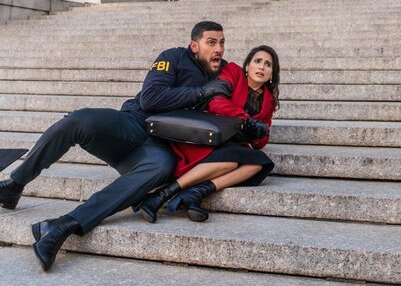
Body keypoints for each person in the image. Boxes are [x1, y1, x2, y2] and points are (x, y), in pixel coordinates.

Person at [0, 21, 232, 272]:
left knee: (161, 167)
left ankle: (61, 226)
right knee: (78, 120)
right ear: (194, 46)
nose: (218, 49)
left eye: (221, 43)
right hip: (132, 124)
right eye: (211, 43)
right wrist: (201, 93)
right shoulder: (173, 57)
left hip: (160, 147)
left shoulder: (226, 73)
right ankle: (14, 184)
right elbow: (150, 98)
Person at [134, 45, 279, 223]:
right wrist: (245, 121)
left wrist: (257, 132)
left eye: (268, 64)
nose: (262, 67)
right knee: (231, 162)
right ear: (248, 65)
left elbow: (261, 140)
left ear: (271, 74)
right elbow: (216, 102)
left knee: (260, 164)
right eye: (257, 61)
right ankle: (161, 195)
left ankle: (195, 193)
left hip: (234, 144)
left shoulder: (269, 100)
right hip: (210, 137)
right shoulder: (233, 72)